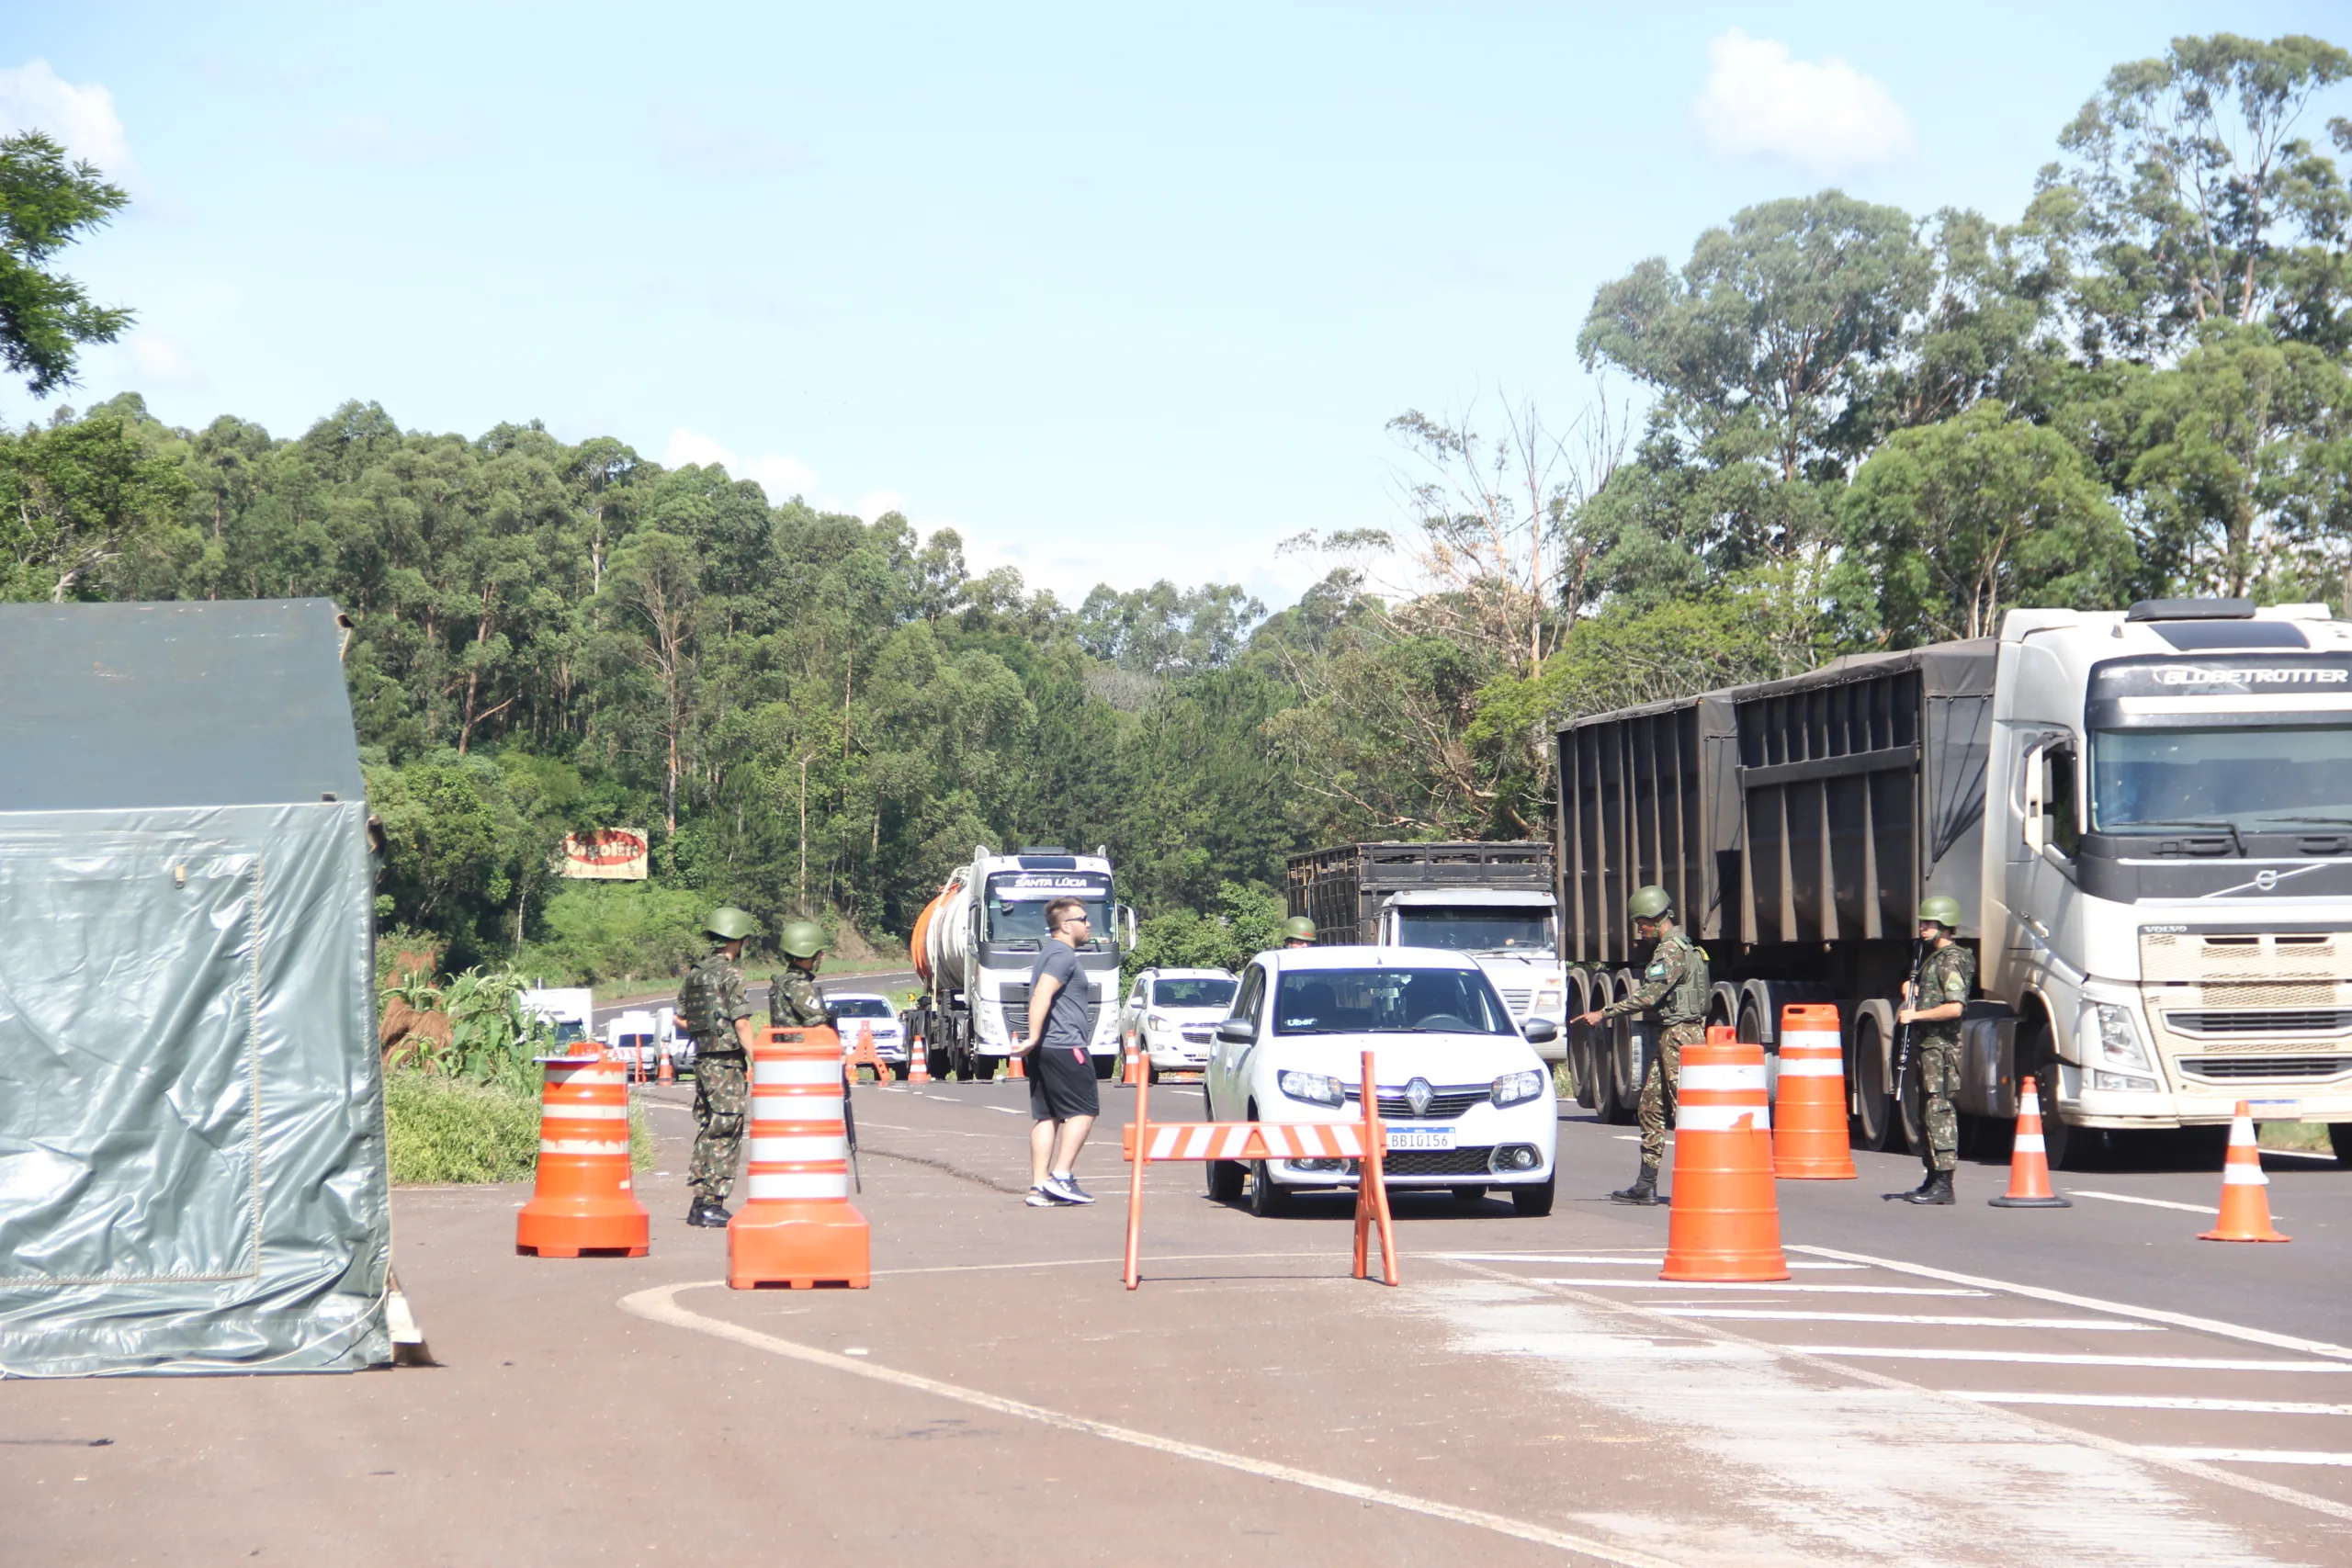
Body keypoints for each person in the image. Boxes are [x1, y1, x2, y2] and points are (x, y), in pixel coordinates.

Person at [1574, 886, 1708, 1207]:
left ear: (1653, 918)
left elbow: (1649, 996)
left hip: (1681, 1036)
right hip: (1671, 1034)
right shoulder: (1681, 946)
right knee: (1651, 1107)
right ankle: (1646, 1184)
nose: (1640, 930)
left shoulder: (1670, 950)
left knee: (1684, 1110)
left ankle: (1703, 1182)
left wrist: (1603, 1013)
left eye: (1641, 924)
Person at [1887, 895, 1973, 1205]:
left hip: (1942, 1049)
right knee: (1926, 1111)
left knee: (1938, 1111)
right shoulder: (1932, 959)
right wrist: (1913, 992)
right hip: (1928, 1047)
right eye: (1922, 922)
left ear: (1944, 925)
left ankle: (1944, 1184)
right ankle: (1932, 1177)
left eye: (1929, 923)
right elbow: (1934, 995)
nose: (1922, 928)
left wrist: (1916, 1015)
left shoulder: (1951, 959)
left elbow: (1954, 1007)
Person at [678, 907, 759, 1227]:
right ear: (737, 939)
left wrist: (706, 1031)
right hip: (726, 1063)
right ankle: (712, 1203)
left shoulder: (695, 974)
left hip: (702, 1060)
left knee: (708, 1129)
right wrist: (758, 1058)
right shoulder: (730, 975)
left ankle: (700, 1202)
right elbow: (741, 1023)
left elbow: (680, 1016)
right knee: (726, 1130)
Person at [1022, 897, 1100, 1207]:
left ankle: (1040, 1187)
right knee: (1084, 1111)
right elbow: (1042, 993)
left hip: (1047, 1048)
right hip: (1065, 1045)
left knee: (1048, 1116)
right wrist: (1033, 1036)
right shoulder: (1062, 955)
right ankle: (1061, 1176)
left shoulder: (1048, 953)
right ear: (1066, 926)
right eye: (1083, 919)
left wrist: (1035, 1041)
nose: (1088, 924)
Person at [769, 919, 829, 1034]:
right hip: (801, 1050)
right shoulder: (800, 986)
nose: (821, 955)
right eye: (819, 951)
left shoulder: (782, 981)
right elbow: (820, 1029)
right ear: (809, 952)